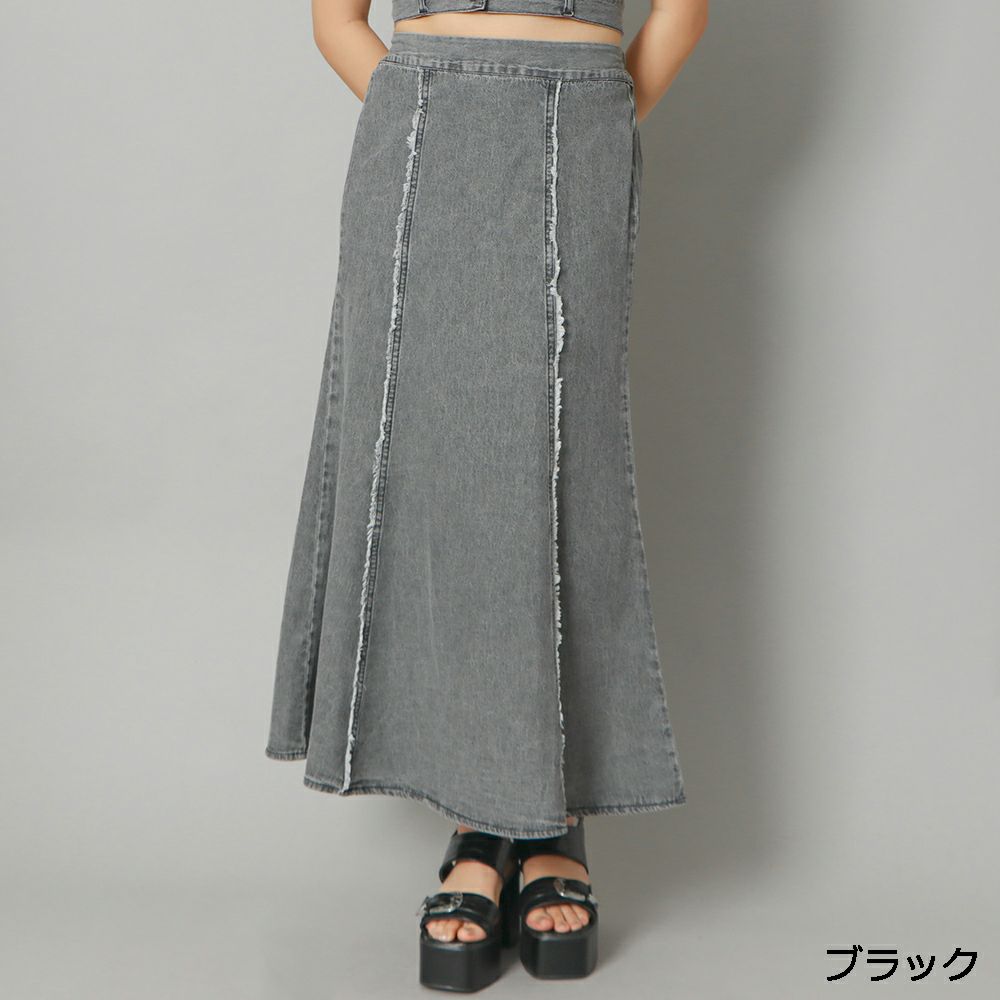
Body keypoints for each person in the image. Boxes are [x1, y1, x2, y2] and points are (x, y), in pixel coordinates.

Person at [267, 0, 708, 989]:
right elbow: (335, 21)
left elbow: (684, 12)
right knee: (435, 477)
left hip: (578, 124)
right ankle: (484, 822)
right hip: (421, 130)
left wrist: (585, 114)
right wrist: (435, 105)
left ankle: (550, 819)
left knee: (564, 469)